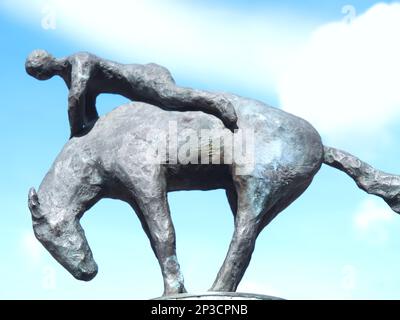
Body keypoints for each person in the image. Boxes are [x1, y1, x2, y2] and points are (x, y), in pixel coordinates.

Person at [25, 50, 238, 137]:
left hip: (142, 77)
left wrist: (73, 133)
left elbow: (76, 97)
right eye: (34, 75)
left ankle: (217, 102)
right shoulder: (68, 78)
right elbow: (88, 111)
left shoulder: (78, 61)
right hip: (134, 94)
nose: (38, 76)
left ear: (45, 60)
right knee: (172, 110)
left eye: (36, 70)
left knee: (170, 96)